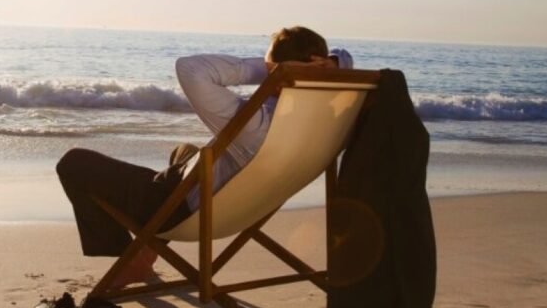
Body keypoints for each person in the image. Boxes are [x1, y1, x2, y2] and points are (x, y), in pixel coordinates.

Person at [56, 26, 353, 288]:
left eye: (268, 66)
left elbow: (190, 69)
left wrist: (267, 69)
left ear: (278, 71)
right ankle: (148, 251)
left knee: (73, 163)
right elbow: (346, 56)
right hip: (248, 206)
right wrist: (333, 64)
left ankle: (131, 260)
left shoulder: (256, 124)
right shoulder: (330, 120)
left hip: (183, 207)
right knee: (184, 151)